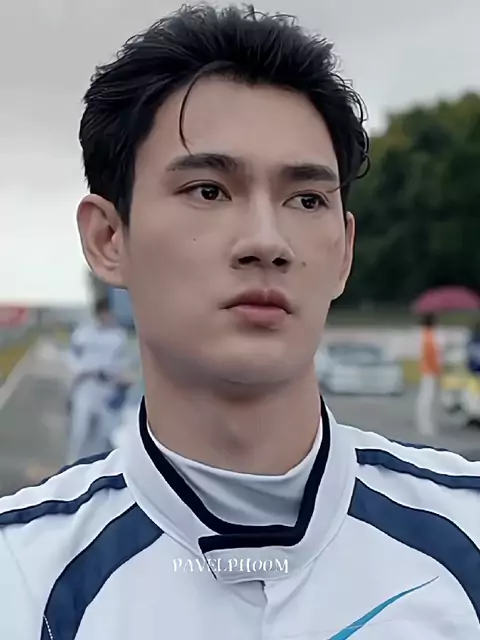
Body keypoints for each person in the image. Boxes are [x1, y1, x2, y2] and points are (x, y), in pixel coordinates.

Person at [1, 6, 479, 639]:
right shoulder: (21, 578)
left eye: (306, 199)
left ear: (344, 252)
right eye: (209, 190)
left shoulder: (466, 533)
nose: (267, 241)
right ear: (108, 237)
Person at [65, 297, 131, 462]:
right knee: (81, 430)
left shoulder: (118, 336)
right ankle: (73, 464)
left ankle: (96, 467)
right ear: (101, 313)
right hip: (86, 385)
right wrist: (84, 370)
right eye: (109, 313)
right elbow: (72, 358)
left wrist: (122, 379)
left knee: (103, 432)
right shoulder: (83, 334)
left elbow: (123, 363)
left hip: (108, 388)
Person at [416, 312, 442, 436]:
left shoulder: (425, 335)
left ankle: (426, 424)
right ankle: (425, 425)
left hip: (427, 370)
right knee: (427, 398)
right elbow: (431, 356)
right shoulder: (429, 336)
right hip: (429, 371)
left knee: (426, 398)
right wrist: (436, 369)